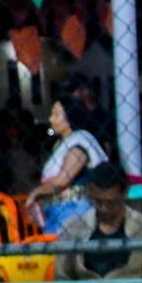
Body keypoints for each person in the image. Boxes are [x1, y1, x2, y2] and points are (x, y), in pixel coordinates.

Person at [53, 161, 142, 281]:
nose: (104, 208)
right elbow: (62, 278)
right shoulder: (73, 227)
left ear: (124, 193)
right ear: (90, 194)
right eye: (98, 202)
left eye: (111, 203)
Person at [27, 94, 110, 235]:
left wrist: (36, 192)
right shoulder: (61, 144)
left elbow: (62, 181)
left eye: (56, 115)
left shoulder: (78, 145)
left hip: (75, 210)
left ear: (70, 117)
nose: (51, 119)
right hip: (59, 210)